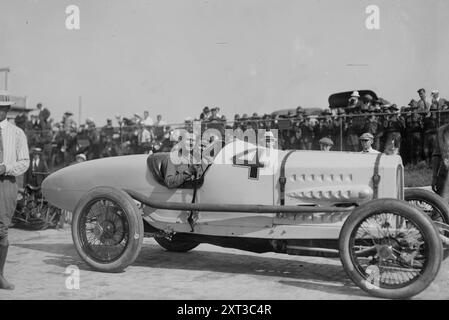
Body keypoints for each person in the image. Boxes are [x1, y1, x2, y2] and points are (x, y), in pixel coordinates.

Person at [0, 91, 30, 290]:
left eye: (0, 108)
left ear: (7, 109)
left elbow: (24, 162)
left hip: (5, 183)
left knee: (1, 230)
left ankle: (0, 275)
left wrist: (6, 168)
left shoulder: (16, 133)